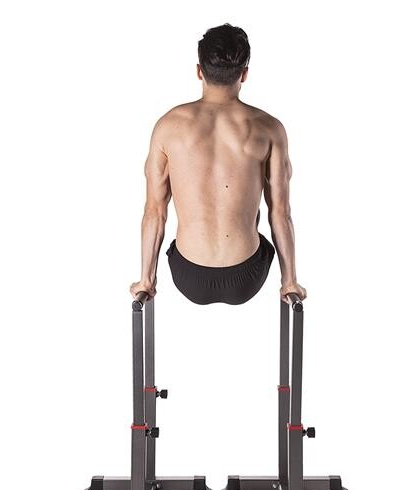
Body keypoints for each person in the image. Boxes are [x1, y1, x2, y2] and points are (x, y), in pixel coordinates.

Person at [130, 23, 307, 305]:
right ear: (244, 74)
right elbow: (280, 213)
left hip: (189, 276)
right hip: (247, 277)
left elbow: (155, 211)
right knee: (255, 221)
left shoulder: (168, 127)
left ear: (199, 71)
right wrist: (289, 282)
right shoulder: (270, 129)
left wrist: (146, 280)